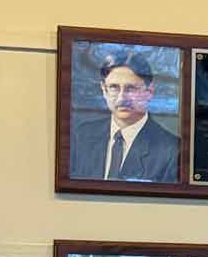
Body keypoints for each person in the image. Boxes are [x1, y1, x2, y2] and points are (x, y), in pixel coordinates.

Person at [68, 49, 180, 183]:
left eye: (131, 88)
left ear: (149, 92)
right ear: (104, 90)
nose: (122, 98)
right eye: (114, 87)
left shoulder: (171, 149)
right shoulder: (82, 136)